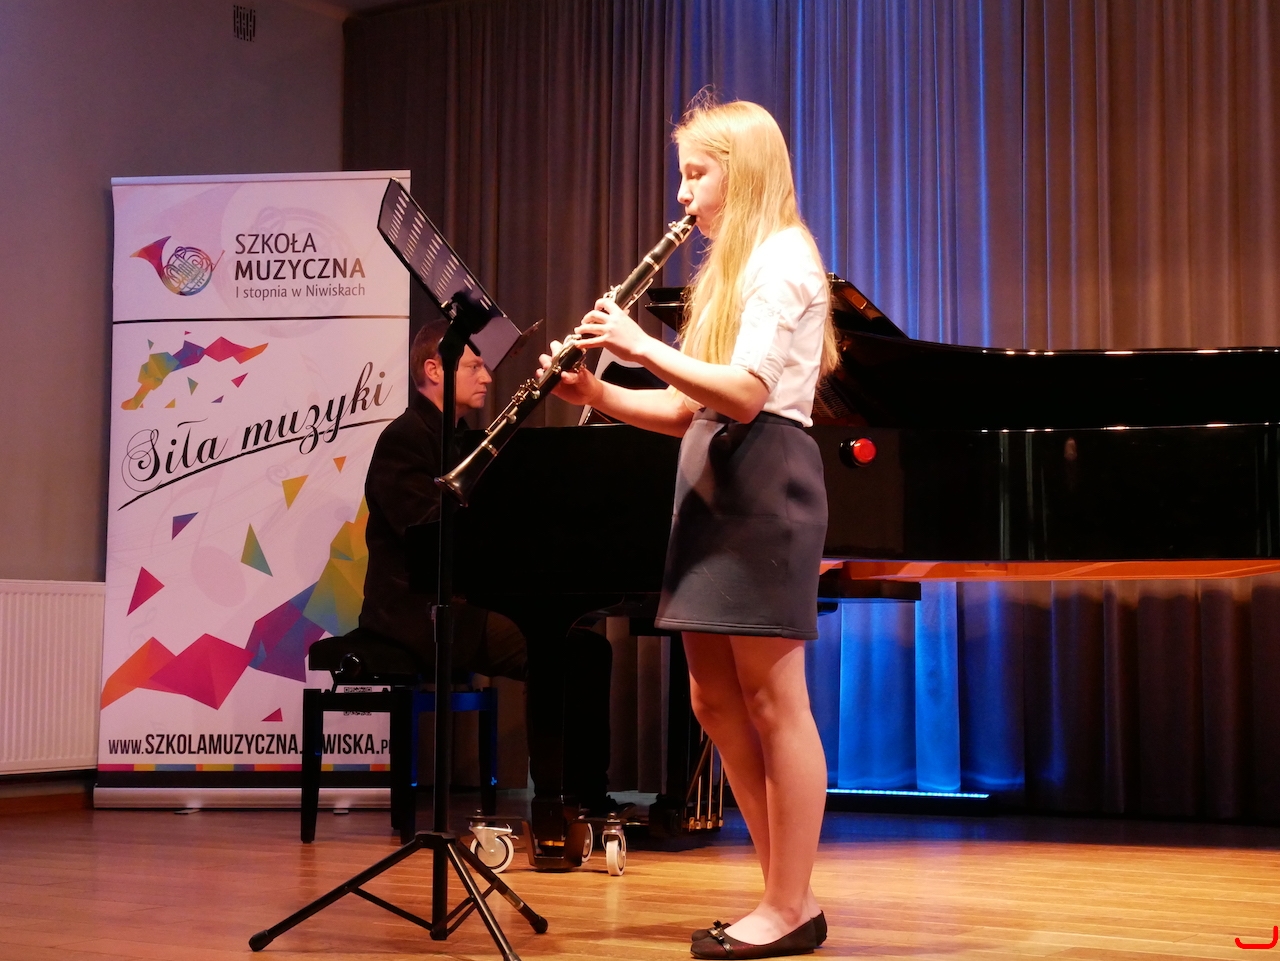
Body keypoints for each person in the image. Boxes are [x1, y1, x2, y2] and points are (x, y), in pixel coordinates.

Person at [541, 99, 834, 959]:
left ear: (740, 172)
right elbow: (686, 409)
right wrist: (598, 393)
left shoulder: (783, 259)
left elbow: (743, 394)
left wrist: (638, 342)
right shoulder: (731, 268)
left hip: (763, 482)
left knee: (776, 699)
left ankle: (788, 905)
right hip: (714, 484)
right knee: (713, 698)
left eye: (695, 173)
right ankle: (787, 893)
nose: (682, 194)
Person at [359, 318, 615, 820]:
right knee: (568, 651)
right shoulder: (404, 439)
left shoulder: (461, 440)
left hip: (463, 600)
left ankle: (577, 794)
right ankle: (565, 800)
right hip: (418, 611)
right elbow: (424, 534)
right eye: (474, 366)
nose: (488, 377)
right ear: (434, 369)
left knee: (580, 646)